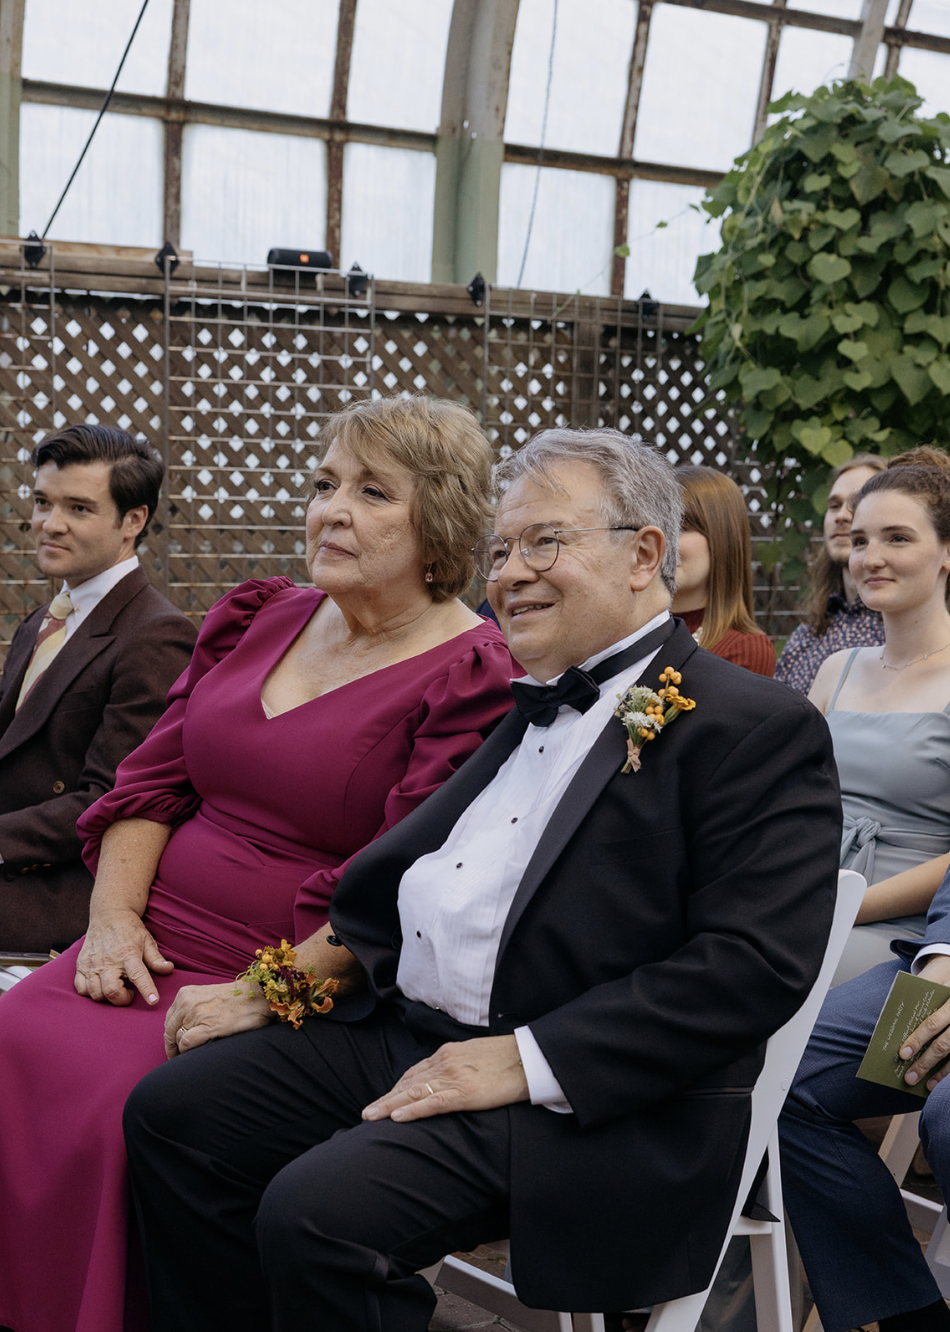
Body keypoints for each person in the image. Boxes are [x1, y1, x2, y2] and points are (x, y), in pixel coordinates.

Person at [120, 425, 842, 1332]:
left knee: (319, 1217)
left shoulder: (753, 727)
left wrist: (524, 1059)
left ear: (643, 555)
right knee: (174, 1117)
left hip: (579, 1093)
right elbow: (396, 897)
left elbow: (751, 966)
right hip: (409, 1032)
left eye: (546, 541)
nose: (509, 571)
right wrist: (276, 989)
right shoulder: (523, 700)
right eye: (501, 550)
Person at [0, 395, 515, 1332]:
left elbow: (401, 891)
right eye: (324, 485)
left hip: (293, 978)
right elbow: (146, 785)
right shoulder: (260, 615)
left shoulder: (471, 674)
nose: (332, 510)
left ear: (438, 520)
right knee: (16, 1037)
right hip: (143, 943)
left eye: (371, 492)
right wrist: (110, 922)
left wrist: (258, 991)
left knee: (136, 1102)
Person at [0, 424, 196, 956]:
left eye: (79, 509)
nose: (49, 525)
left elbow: (107, 801)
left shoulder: (158, 636)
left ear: (133, 520)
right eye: (43, 502)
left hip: (62, 889)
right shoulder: (42, 620)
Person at [807, 464, 950, 987]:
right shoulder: (834, 669)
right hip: (807, 900)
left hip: (908, 930)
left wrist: (850, 907)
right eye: (862, 539)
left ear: (946, 552)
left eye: (898, 538)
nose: (873, 558)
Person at [775, 452, 885, 694]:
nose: (842, 516)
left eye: (856, 505)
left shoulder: (903, 631)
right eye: (834, 505)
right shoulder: (805, 637)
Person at [672, 465, 775, 675]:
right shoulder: (626, 634)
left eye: (681, 528)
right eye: (656, 526)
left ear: (722, 539)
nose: (662, 540)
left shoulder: (745, 650)